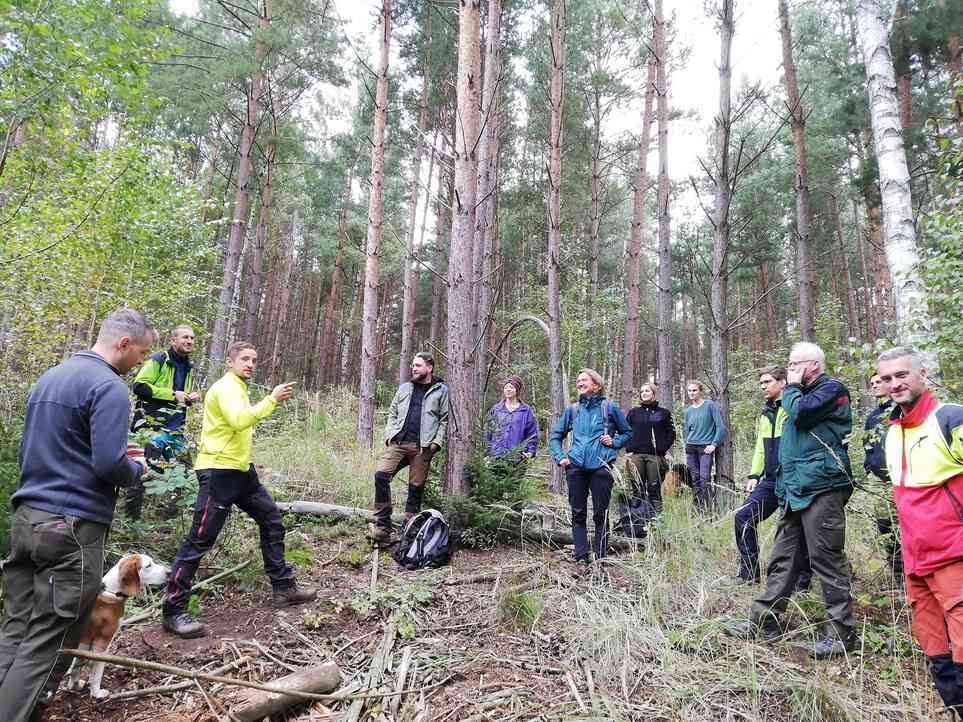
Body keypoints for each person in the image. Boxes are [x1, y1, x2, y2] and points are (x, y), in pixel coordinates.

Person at [0, 309, 154, 722]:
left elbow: (43, 448)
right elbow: (108, 465)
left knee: (16, 627)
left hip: (28, 517)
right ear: (123, 343)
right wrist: (136, 470)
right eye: (141, 352)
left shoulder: (50, 378)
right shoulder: (109, 387)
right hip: (70, 528)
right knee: (47, 641)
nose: (141, 361)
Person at [161, 341, 315, 639]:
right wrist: (271, 400)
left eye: (254, 360)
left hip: (241, 471)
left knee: (271, 519)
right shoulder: (226, 387)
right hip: (219, 471)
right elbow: (239, 421)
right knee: (199, 542)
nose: (250, 364)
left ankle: (283, 588)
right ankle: (173, 611)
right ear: (230, 362)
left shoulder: (239, 388)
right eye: (244, 359)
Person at [726, 342, 857, 659]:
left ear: (813, 365)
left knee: (826, 560)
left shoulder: (831, 390)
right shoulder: (796, 394)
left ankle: (841, 635)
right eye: (789, 364)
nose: (789, 369)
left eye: (795, 364)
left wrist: (793, 387)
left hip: (822, 487)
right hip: (795, 490)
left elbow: (799, 414)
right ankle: (764, 623)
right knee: (783, 558)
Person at [876, 347, 963, 717]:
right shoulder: (893, 431)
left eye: (902, 375)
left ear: (922, 373)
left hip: (954, 555)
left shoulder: (951, 417)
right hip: (915, 562)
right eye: (886, 378)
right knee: (937, 656)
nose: (895, 383)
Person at [725, 367, 811, 589]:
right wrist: (755, 474)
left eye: (767, 381)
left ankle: (802, 582)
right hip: (770, 481)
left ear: (783, 382)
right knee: (743, 517)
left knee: (796, 528)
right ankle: (749, 573)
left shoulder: (793, 407)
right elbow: (761, 448)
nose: (763, 386)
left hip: (793, 480)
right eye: (761, 382)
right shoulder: (766, 412)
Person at [549, 369, 632, 570]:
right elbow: (555, 436)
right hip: (575, 467)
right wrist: (561, 458)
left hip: (602, 467)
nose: (579, 383)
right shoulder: (573, 410)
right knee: (578, 513)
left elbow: (628, 432)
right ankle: (581, 557)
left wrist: (615, 441)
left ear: (596, 385)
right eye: (577, 381)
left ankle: (600, 557)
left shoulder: (609, 408)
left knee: (600, 513)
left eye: (583, 380)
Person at [368, 352, 449, 544]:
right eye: (413, 365)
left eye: (418, 365)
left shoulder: (441, 390)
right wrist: (389, 434)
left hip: (423, 447)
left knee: (415, 488)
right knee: (381, 475)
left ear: (429, 367)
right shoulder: (404, 387)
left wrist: (437, 442)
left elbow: (444, 419)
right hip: (399, 443)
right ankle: (383, 527)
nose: (413, 368)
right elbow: (393, 411)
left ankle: (409, 530)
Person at [127, 324, 200, 519]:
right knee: (141, 473)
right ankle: (131, 523)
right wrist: (172, 395)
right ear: (173, 340)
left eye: (192, 338)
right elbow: (139, 386)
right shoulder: (158, 360)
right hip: (152, 428)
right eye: (185, 337)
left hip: (176, 430)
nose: (189, 341)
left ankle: (169, 520)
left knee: (184, 473)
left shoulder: (189, 367)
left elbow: (179, 398)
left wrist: (188, 399)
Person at [863, 372, 901, 576]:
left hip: (902, 480)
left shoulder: (900, 411)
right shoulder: (872, 417)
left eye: (879, 381)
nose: (875, 385)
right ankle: (897, 573)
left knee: (905, 525)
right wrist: (869, 465)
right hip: (878, 481)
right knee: (885, 525)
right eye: (872, 383)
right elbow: (867, 445)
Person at [624, 382, 676, 512]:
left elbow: (671, 433)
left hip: (655, 456)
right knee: (637, 488)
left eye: (647, 391)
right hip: (636, 455)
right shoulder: (633, 413)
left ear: (654, 393)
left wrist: (662, 449)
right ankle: (638, 518)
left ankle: (657, 518)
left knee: (654, 488)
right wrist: (629, 448)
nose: (644, 393)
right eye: (642, 391)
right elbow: (625, 431)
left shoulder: (664, 413)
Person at [683, 381, 726, 511]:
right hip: (691, 448)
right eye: (689, 391)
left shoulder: (709, 405)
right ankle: (698, 509)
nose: (691, 393)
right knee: (694, 479)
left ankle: (709, 509)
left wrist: (714, 444)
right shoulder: (688, 411)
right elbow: (687, 429)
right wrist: (686, 442)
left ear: (700, 391)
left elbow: (720, 427)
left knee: (704, 478)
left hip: (705, 448)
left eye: (694, 390)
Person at [484, 375, 538, 461]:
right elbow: (488, 432)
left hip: (517, 459)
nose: (508, 389)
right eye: (506, 387)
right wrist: (486, 453)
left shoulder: (526, 410)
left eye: (511, 387)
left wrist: (530, 452)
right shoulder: (496, 409)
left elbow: (532, 434)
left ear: (517, 390)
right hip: (495, 457)